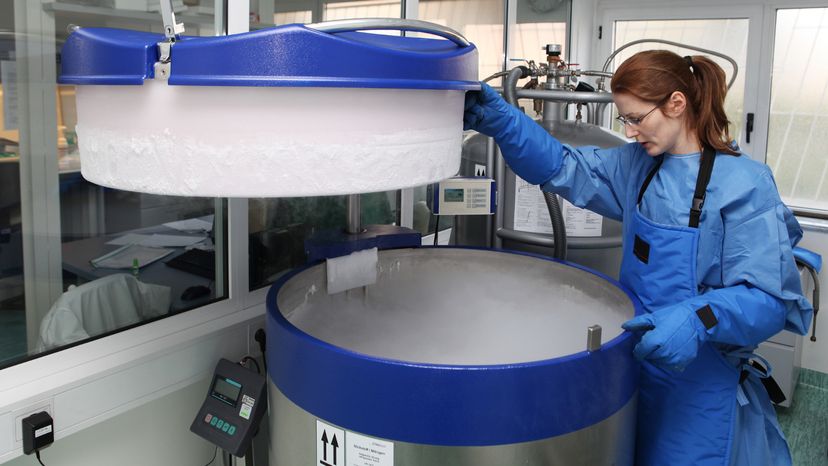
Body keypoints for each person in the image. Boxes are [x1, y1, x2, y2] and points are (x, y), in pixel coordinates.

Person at [463, 50, 813, 466]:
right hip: (634, 366)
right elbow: (564, 166)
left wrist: (697, 318)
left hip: (700, 384)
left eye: (636, 118)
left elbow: (769, 299)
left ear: (677, 104)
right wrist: (506, 122)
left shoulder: (745, 185)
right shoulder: (638, 166)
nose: (629, 133)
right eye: (623, 120)